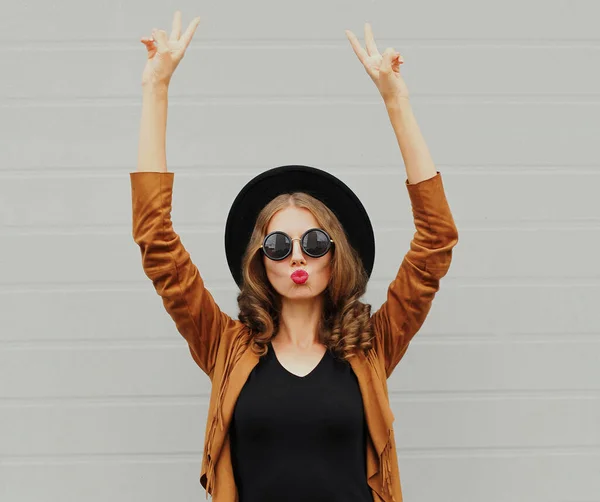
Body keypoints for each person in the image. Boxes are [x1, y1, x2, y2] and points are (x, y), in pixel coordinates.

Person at [132, 11, 459, 502]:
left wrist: (396, 100)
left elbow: (436, 242)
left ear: (336, 255)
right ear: (260, 260)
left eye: (315, 242)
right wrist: (156, 88)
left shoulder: (370, 348)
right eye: (279, 245)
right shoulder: (225, 346)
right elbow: (156, 240)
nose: (296, 258)